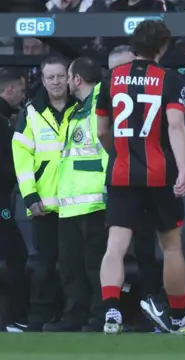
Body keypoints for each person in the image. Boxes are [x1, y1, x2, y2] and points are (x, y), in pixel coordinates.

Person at [94, 20, 185, 335]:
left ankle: (112, 312)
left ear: (132, 47)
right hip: (159, 173)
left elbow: (102, 130)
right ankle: (179, 317)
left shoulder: (110, 78)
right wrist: (182, 168)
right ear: (163, 47)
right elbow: (176, 126)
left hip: (122, 172)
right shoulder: (170, 79)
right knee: (170, 245)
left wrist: (118, 153)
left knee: (115, 245)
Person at [12, 56, 77, 332]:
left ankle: (74, 316)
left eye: (60, 76)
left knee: (76, 264)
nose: (55, 82)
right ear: (43, 79)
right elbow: (22, 158)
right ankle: (39, 317)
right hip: (45, 204)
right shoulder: (31, 113)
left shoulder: (83, 108)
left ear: (70, 77)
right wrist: (29, 196)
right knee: (45, 265)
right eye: (50, 77)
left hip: (79, 203)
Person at [47, 57, 107, 332]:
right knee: (71, 266)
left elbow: (107, 153)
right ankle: (74, 315)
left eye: (68, 77)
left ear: (78, 80)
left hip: (95, 202)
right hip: (70, 204)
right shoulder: (78, 110)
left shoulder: (100, 107)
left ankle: (100, 317)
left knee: (95, 266)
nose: (67, 82)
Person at [107, 44, 161, 332]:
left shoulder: (154, 94)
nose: (127, 76)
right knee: (114, 249)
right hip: (117, 182)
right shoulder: (103, 96)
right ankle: (110, 312)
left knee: (147, 250)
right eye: (119, 71)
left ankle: (152, 311)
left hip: (148, 179)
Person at [0, 68, 30, 333]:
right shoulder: (3, 123)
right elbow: (9, 167)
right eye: (20, 91)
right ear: (9, 91)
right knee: (16, 254)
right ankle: (12, 319)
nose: (22, 97)